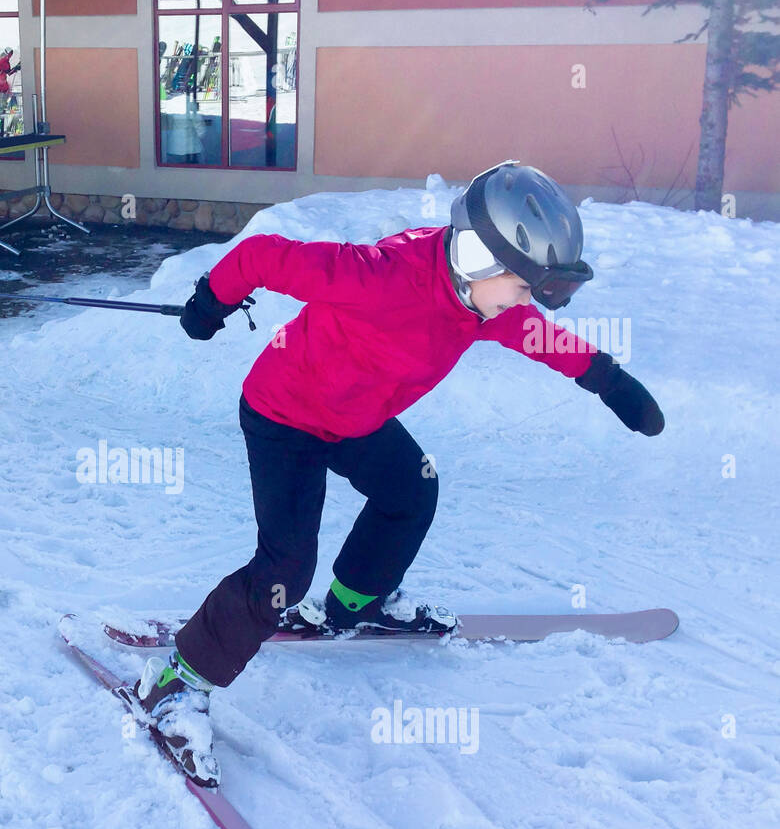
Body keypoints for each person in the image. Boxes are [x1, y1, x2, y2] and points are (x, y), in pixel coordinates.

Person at [136, 161, 666, 787]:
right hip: (286, 415)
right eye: (524, 287)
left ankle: (354, 603)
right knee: (284, 569)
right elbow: (262, 256)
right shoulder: (380, 277)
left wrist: (607, 380)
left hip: (357, 417)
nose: (525, 303)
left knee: (411, 487)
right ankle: (175, 682)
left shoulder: (485, 303)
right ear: (476, 258)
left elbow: (534, 335)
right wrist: (211, 302)